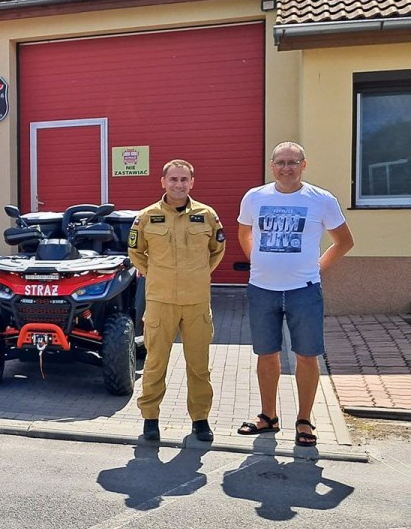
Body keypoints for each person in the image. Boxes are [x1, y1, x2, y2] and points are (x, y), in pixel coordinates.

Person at [237, 142, 353, 447]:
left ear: (304, 165)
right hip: (262, 289)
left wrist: (317, 268)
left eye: (293, 162)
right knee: (266, 354)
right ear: (271, 165)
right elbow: (243, 233)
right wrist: (258, 261)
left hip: (304, 291)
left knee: (306, 355)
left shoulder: (321, 199)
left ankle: (304, 420)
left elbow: (343, 242)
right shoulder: (254, 197)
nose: (286, 168)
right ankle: (268, 416)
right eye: (281, 162)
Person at [128, 159, 225, 442]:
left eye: (184, 179)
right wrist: (155, 274)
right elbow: (136, 252)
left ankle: (200, 420)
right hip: (160, 301)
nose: (179, 184)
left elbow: (217, 249)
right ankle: (150, 419)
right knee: (156, 362)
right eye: (173, 179)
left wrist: (199, 274)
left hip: (196, 302)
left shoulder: (207, 215)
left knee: (199, 365)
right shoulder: (146, 217)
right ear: (163, 182)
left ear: (192, 183)